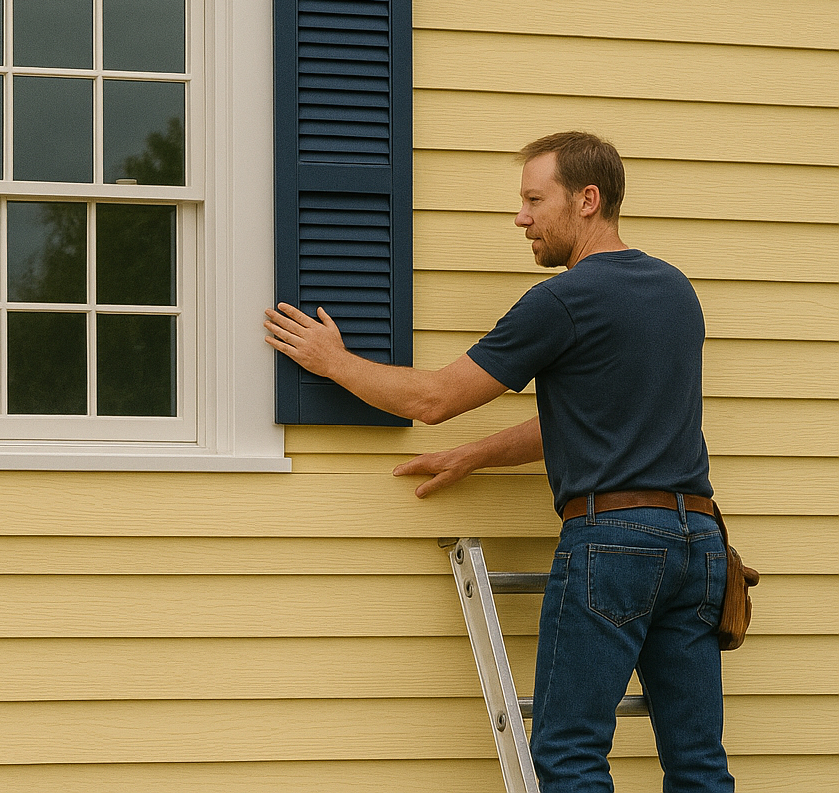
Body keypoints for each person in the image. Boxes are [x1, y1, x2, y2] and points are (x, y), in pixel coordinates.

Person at [265, 132, 732, 792]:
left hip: (615, 546)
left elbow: (432, 399)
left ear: (588, 200)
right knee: (698, 763)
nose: (521, 217)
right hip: (701, 544)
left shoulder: (565, 301)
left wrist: (332, 362)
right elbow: (593, 418)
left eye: (534, 200)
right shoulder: (675, 292)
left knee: (570, 756)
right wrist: (477, 455)